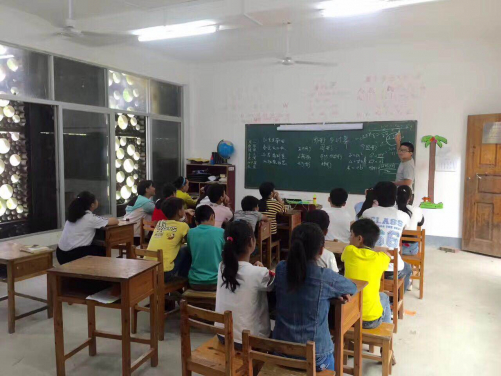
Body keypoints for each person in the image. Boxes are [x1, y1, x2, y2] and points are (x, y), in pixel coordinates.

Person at [273, 223, 357, 372]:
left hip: (280, 351)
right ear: (321, 250)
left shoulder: (280, 268)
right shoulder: (325, 276)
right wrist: (336, 292)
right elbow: (352, 287)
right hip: (316, 357)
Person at [215, 221, 275, 348]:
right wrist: (262, 270)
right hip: (249, 340)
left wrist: (258, 270)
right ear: (250, 242)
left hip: (223, 335)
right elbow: (274, 283)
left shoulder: (222, 266)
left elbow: (245, 273)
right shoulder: (259, 273)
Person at [362, 182, 412, 291]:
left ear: (376, 197)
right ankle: (396, 300)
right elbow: (403, 231)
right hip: (391, 271)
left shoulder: (367, 213)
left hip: (369, 265)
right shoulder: (403, 216)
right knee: (408, 268)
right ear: (395, 197)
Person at [342, 219, 392, 329]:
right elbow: (388, 255)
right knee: (384, 296)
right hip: (370, 321)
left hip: (347, 317)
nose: (349, 238)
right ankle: (388, 331)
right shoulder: (381, 258)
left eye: (351, 235)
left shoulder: (349, 251)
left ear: (359, 238)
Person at [57, 191, 118, 265]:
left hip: (60, 254)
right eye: (96, 199)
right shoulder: (89, 218)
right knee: (102, 250)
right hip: (73, 257)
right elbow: (115, 221)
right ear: (92, 205)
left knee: (94, 246)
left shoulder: (73, 216)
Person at [146, 197, 191, 282]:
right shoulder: (183, 226)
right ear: (179, 212)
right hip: (164, 273)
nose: (184, 210)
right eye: (183, 208)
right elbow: (191, 243)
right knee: (186, 250)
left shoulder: (160, 223)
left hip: (148, 270)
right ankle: (183, 279)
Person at [187, 205, 224, 291]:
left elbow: (190, 252)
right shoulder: (221, 232)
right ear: (212, 217)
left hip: (194, 282)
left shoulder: (190, 232)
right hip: (216, 282)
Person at [397, 185, 424, 256]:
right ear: (410, 198)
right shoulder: (416, 210)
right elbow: (420, 223)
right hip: (410, 249)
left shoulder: (391, 210)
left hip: (394, 248)